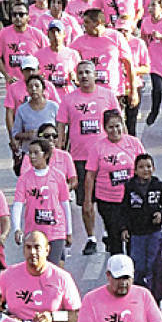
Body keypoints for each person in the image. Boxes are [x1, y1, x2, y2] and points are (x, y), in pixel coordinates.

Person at [56, 60, 122, 254]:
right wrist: (60, 151)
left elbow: (119, 123)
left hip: (106, 157)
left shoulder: (108, 95)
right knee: (86, 201)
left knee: (109, 199)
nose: (84, 76)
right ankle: (91, 237)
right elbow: (61, 126)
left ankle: (110, 233)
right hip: (80, 158)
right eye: (81, 73)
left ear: (95, 75)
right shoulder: (68, 100)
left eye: (88, 72)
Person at [84, 110, 147, 255]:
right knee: (115, 238)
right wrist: (88, 200)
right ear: (104, 129)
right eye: (111, 127)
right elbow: (90, 175)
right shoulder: (98, 147)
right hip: (108, 201)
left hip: (132, 199)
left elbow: (145, 166)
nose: (115, 131)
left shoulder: (133, 143)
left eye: (117, 126)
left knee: (133, 238)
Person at [120, 155, 162, 287]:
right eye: (141, 167)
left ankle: (152, 288)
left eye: (148, 166)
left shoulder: (158, 185)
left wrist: (161, 213)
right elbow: (124, 209)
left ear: (153, 168)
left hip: (154, 231)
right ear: (135, 170)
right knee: (138, 264)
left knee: (153, 262)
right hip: (136, 233)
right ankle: (137, 287)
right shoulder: (130, 186)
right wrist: (124, 228)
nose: (145, 170)